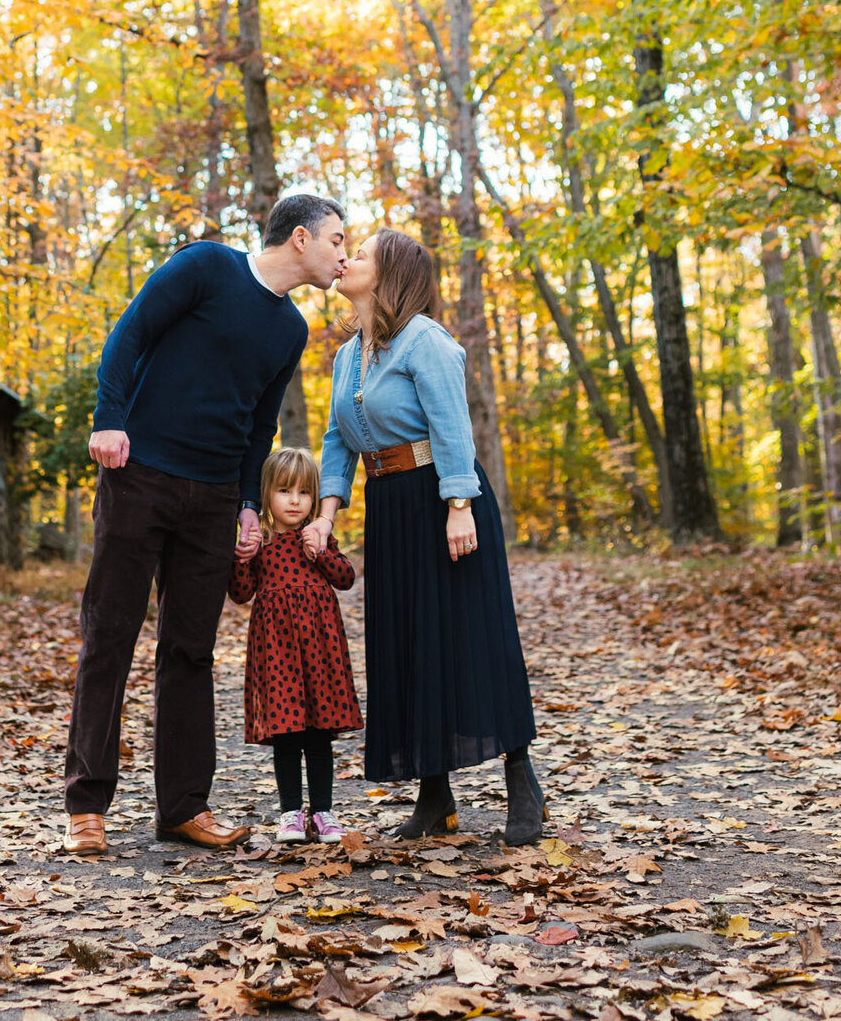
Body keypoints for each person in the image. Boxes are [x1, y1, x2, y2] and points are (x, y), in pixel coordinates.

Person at [62, 193, 348, 859]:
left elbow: (259, 427)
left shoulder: (292, 331)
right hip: (141, 475)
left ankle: (183, 807)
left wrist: (249, 503)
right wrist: (109, 420)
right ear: (301, 239)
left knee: (189, 652)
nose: (344, 253)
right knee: (110, 635)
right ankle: (85, 806)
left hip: (215, 497)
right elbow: (129, 335)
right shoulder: (205, 267)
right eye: (338, 239)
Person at [305, 229, 544, 844]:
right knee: (407, 642)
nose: (347, 259)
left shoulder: (426, 340)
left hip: (444, 499)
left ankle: (522, 778)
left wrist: (460, 504)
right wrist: (327, 514)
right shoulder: (347, 355)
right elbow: (338, 442)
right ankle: (434, 796)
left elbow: (450, 424)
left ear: (389, 276)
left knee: (472, 634)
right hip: (390, 507)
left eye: (360, 255)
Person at [228, 446, 362, 845]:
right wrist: (240, 558)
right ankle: (289, 814)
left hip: (320, 650)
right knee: (287, 732)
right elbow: (240, 593)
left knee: (319, 731)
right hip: (277, 651)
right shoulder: (261, 539)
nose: (294, 500)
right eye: (285, 490)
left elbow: (346, 578)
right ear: (267, 493)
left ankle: (323, 812)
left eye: (304, 492)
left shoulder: (318, 536)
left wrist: (320, 552)